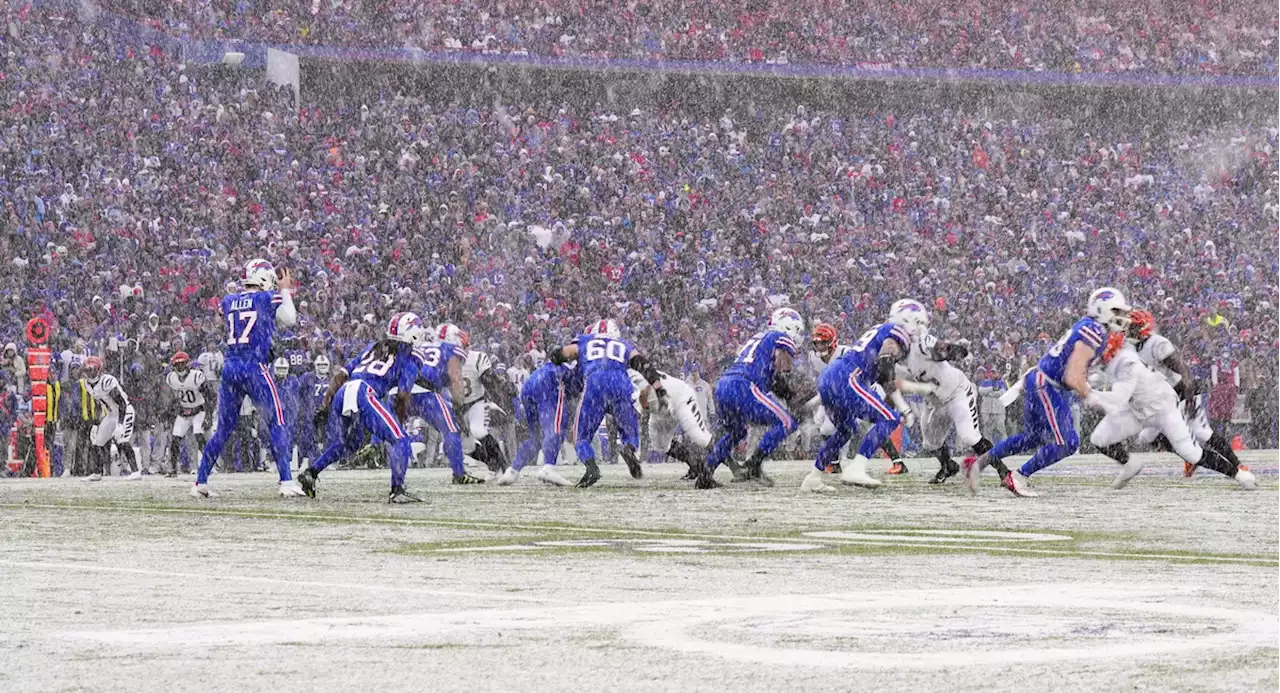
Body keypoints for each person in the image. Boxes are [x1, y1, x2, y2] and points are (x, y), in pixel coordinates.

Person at [966, 288, 1132, 497]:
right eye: (1117, 310)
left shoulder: (1089, 327)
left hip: (1041, 380)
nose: (1122, 317)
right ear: (1102, 309)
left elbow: (1071, 372)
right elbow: (1073, 377)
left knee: (1032, 438)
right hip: (1048, 385)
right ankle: (1017, 477)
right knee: (1067, 442)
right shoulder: (1094, 330)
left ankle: (977, 464)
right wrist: (1093, 398)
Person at [192, 259, 305, 498]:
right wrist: (284, 290)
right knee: (277, 421)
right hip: (254, 366)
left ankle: (200, 482)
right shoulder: (266, 297)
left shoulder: (229, 300)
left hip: (230, 366)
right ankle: (286, 480)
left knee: (223, 430)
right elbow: (289, 319)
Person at [1087, 331, 1256, 490]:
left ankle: (1237, 471)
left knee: (1196, 444)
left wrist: (1092, 394)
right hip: (1140, 409)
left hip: (1165, 405)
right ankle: (1132, 463)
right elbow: (1110, 378)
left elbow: (1119, 397)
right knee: (1133, 437)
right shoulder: (1125, 354)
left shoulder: (1134, 358)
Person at [298, 312, 427, 502]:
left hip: (345, 390)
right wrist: (398, 424)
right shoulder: (411, 355)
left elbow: (340, 375)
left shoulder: (373, 347)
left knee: (350, 443)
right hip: (365, 392)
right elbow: (402, 394)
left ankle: (311, 472)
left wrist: (326, 404)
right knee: (401, 440)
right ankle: (397, 491)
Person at [801, 308, 914, 492]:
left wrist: (904, 406)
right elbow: (886, 362)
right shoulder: (894, 332)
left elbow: (884, 377)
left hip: (830, 379)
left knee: (846, 430)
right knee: (890, 418)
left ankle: (813, 478)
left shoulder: (874, 335)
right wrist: (903, 408)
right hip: (848, 377)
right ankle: (856, 467)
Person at [548, 319, 667, 488]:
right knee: (630, 432)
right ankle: (629, 448)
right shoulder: (624, 344)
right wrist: (659, 389)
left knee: (581, 437)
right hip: (620, 383)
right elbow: (643, 364)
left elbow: (562, 354)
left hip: (595, 382)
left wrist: (556, 358)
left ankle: (591, 467)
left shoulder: (586, 340)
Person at [1126, 310, 1245, 479]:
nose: (1127, 331)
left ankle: (1237, 464)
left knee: (1202, 432)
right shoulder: (1134, 348)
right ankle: (1191, 456)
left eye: (1131, 327)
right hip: (1165, 399)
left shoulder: (1157, 344)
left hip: (1183, 392)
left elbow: (1183, 370)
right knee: (1147, 436)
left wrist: (1189, 397)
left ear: (1141, 327)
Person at [701, 308, 803, 488]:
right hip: (743, 385)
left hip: (724, 384)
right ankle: (754, 464)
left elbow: (768, 375)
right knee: (787, 422)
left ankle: (706, 473)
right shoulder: (779, 336)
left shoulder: (758, 338)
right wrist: (791, 395)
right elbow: (784, 368)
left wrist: (784, 392)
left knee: (737, 432)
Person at [893, 305, 995, 485]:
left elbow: (946, 351)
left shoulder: (922, 344)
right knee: (930, 444)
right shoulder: (900, 357)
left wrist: (949, 350)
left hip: (957, 393)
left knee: (969, 436)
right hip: (935, 402)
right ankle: (948, 466)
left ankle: (1004, 471)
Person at [409, 323, 486, 485]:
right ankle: (459, 473)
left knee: (391, 427)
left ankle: (375, 447)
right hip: (426, 391)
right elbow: (455, 377)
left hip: (403, 387)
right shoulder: (452, 350)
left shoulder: (424, 345)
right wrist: (458, 405)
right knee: (451, 430)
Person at [498, 360, 583, 486]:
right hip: (550, 383)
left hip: (530, 384)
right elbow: (575, 393)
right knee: (555, 428)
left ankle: (513, 471)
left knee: (536, 438)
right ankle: (549, 467)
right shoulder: (572, 368)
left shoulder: (555, 362)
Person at [458, 345, 514, 477]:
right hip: (459, 407)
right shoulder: (447, 361)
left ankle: (504, 465)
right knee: (466, 447)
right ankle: (492, 463)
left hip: (476, 403)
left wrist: (495, 391)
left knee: (478, 430)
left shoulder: (476, 358)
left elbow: (489, 380)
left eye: (462, 347)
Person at [82, 356, 141, 481]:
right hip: (110, 414)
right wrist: (97, 423)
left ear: (99, 369)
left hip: (124, 411)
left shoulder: (107, 381)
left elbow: (121, 403)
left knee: (122, 440)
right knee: (97, 441)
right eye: (87, 370)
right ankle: (97, 473)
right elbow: (98, 404)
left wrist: (120, 423)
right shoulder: (87, 384)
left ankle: (135, 471)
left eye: (92, 370)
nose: (90, 373)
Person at [165, 351, 215, 477]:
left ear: (187, 364)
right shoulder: (171, 378)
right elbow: (173, 398)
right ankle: (173, 469)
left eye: (182, 364)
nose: (180, 367)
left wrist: (208, 415)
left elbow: (211, 396)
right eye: (178, 365)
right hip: (184, 412)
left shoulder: (196, 376)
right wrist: (169, 411)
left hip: (199, 410)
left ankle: (208, 465)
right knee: (175, 440)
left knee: (199, 436)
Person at [295, 355, 330, 469]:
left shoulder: (333, 378)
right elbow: (297, 391)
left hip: (327, 411)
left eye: (324, 365)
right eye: (320, 365)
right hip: (310, 411)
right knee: (308, 436)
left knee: (329, 435)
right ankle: (307, 460)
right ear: (315, 365)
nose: (322, 367)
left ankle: (327, 460)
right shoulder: (307, 377)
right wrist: (304, 407)